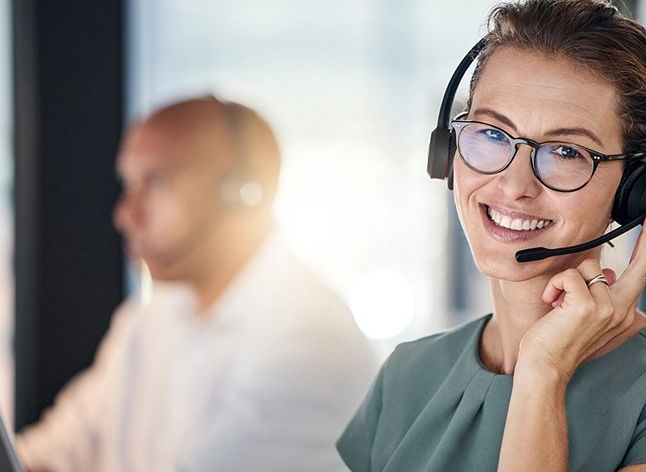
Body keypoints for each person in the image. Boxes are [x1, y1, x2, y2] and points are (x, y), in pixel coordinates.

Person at [337, 0, 646, 471]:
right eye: (493, 134)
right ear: (449, 151)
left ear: (633, 189)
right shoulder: (406, 378)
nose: (514, 186)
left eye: (566, 152)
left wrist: (542, 373)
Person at [15, 96, 377, 472]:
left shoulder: (313, 338)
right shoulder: (147, 318)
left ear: (243, 192)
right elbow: (55, 449)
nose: (125, 214)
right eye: (128, 182)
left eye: (155, 181)